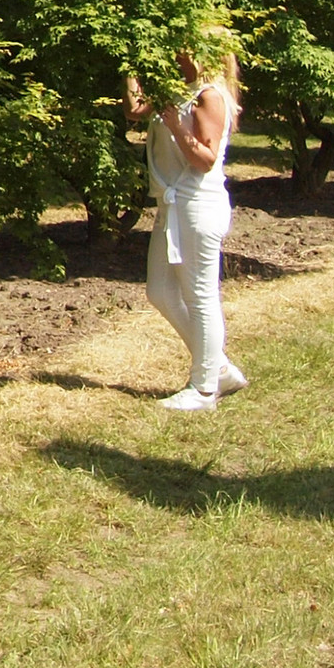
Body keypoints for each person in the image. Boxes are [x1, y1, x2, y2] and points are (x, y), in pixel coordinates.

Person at [123, 51, 247, 410]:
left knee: (200, 297)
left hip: (197, 206)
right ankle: (219, 368)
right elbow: (135, 110)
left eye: (185, 46)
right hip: (172, 206)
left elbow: (205, 159)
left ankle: (204, 389)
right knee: (160, 291)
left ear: (204, 55)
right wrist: (128, 63)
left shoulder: (209, 96)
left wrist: (177, 127)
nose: (176, 53)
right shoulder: (177, 91)